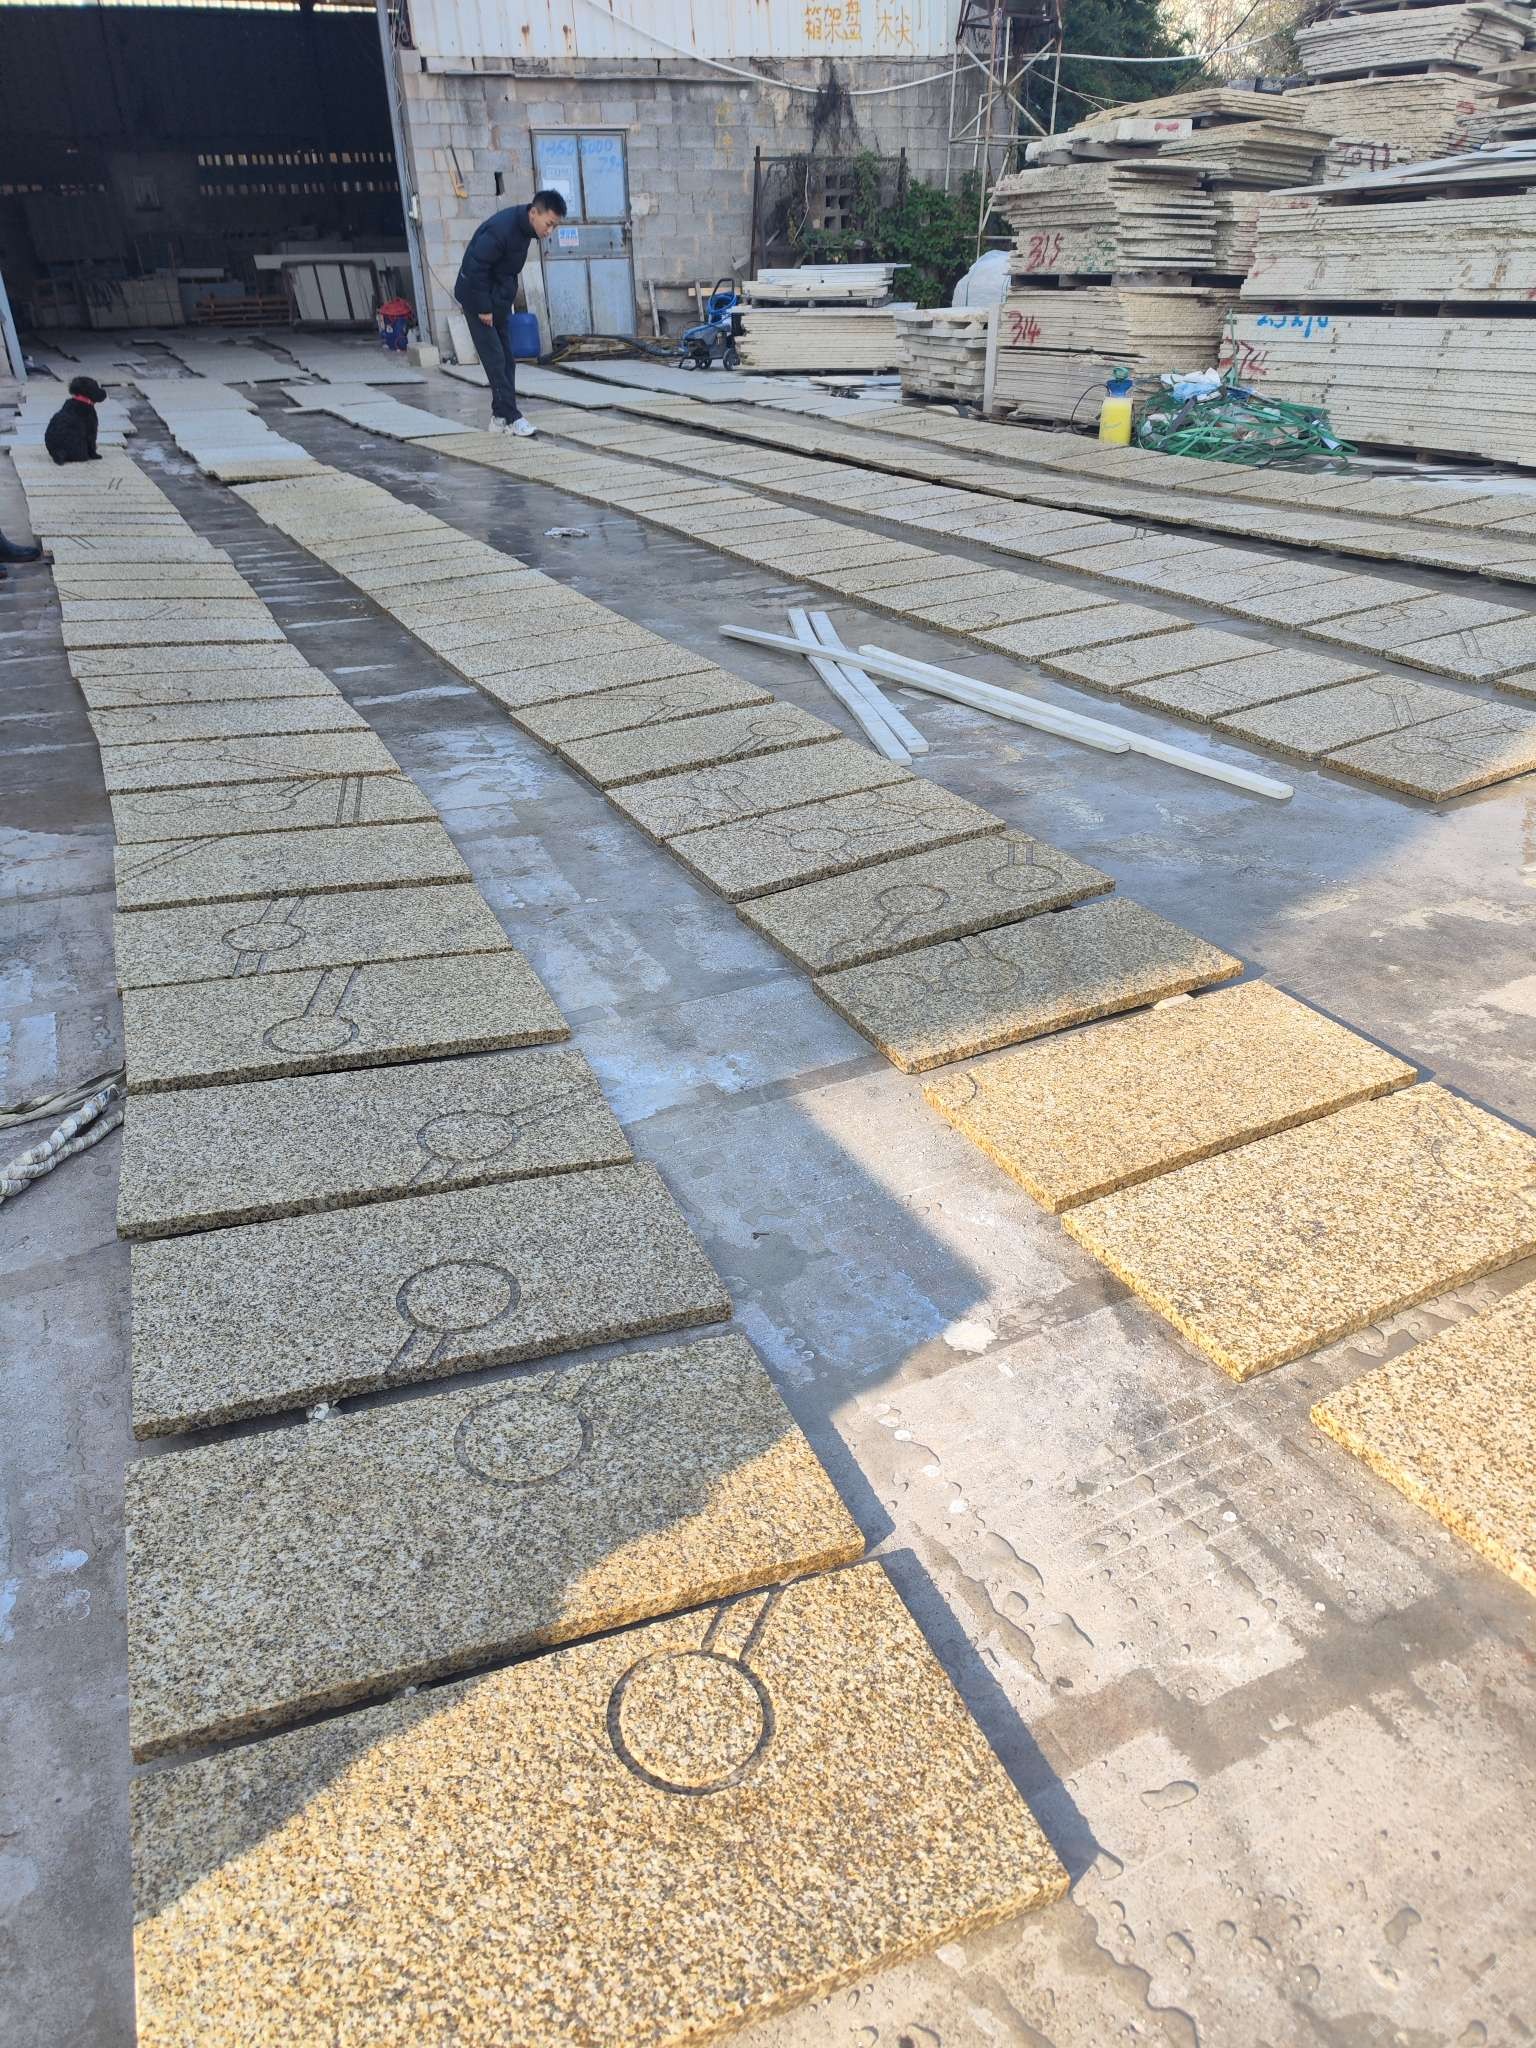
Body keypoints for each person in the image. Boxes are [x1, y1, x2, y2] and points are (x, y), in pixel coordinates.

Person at [453, 188, 566, 436]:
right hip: (478, 301)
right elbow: (476, 267)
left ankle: (499, 418)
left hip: (497, 302)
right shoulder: (501, 229)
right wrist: (483, 308)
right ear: (534, 213)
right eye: (549, 224)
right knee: (495, 360)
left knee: (507, 360)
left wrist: (499, 304)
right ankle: (513, 416)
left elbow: (504, 271)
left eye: (554, 227)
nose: (549, 231)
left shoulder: (525, 231)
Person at [44, 376, 106, 464]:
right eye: (96, 388)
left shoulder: (69, 405)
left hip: (54, 449)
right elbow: (91, 434)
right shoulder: (87, 411)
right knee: (84, 450)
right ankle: (77, 453)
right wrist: (92, 453)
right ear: (90, 392)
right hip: (75, 452)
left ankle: (61, 454)